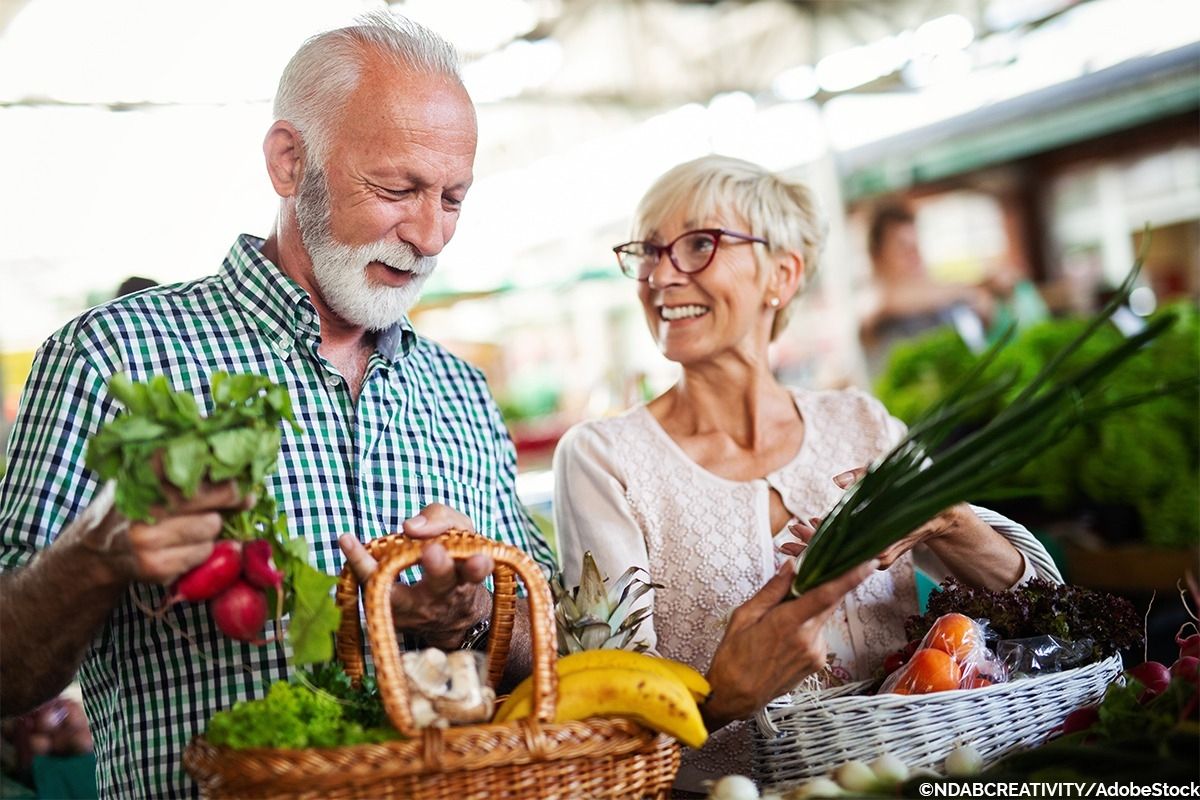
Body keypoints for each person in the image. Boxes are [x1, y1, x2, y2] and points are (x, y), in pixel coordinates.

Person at [0, 13, 554, 798]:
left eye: (453, 199)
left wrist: (469, 610)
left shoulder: (458, 390)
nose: (430, 236)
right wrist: (93, 556)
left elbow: (554, 640)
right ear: (290, 162)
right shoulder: (112, 360)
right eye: (397, 189)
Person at [552, 155, 1062, 791]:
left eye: (698, 245)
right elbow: (611, 713)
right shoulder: (604, 458)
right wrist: (722, 698)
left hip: (923, 776)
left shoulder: (863, 425)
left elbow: (1048, 610)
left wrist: (950, 523)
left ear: (782, 275)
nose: (659, 276)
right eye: (647, 252)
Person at [858, 202, 999, 377]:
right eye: (903, 247)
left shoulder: (938, 298)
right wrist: (970, 292)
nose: (915, 255)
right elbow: (888, 304)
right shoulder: (870, 301)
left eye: (916, 246)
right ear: (876, 256)